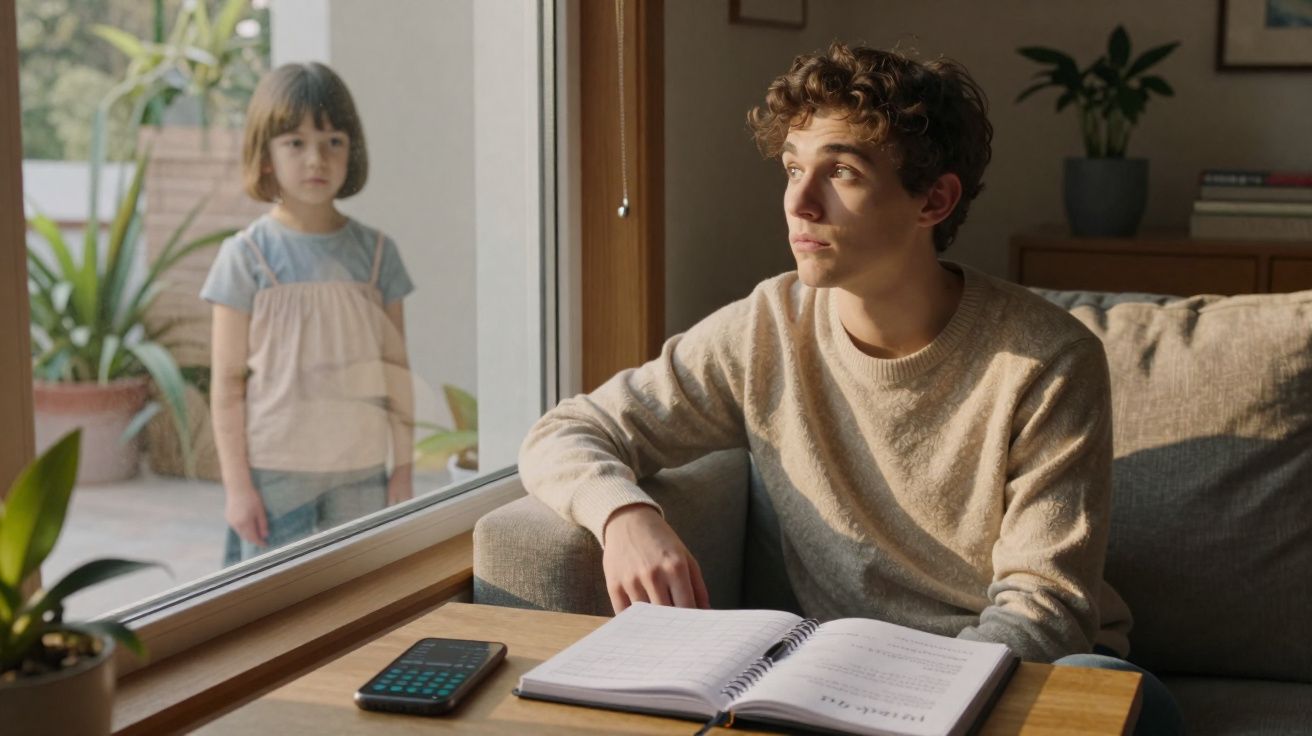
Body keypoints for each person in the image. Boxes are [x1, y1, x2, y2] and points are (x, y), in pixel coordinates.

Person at [519, 43, 1182, 733]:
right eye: (794, 168)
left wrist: (908, 704)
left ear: (935, 198)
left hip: (1020, 675)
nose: (800, 203)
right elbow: (566, 431)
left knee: (1104, 696)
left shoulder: (1047, 359)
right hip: (843, 692)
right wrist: (625, 516)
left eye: (841, 171)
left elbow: (1047, 613)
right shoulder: (766, 328)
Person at [202, 62, 415, 566]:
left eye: (333, 140)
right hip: (274, 475)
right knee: (272, 608)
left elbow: (397, 374)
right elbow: (227, 385)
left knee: (355, 596)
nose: (315, 157)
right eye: (295, 142)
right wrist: (238, 488)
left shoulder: (379, 255)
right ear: (267, 154)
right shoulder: (246, 258)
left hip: (361, 470)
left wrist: (402, 470)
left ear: (351, 150)